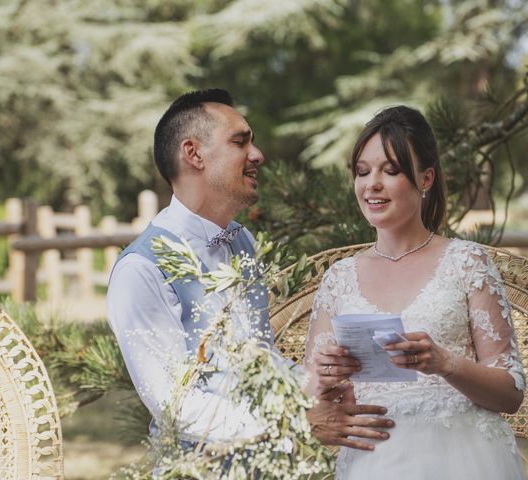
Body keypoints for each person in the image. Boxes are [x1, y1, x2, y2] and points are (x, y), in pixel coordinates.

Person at [107, 88, 392, 450]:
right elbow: (176, 407)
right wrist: (295, 423)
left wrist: (317, 383)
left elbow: (258, 360)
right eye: (240, 142)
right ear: (193, 153)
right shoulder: (141, 270)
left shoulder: (244, 242)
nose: (257, 154)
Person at [304, 105, 526, 479]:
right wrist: (324, 377)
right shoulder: (338, 279)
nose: (372, 183)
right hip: (372, 461)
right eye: (362, 171)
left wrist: (446, 363)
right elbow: (306, 397)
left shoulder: (467, 262)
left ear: (425, 179)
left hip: (463, 459)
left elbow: (511, 392)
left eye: (390, 171)